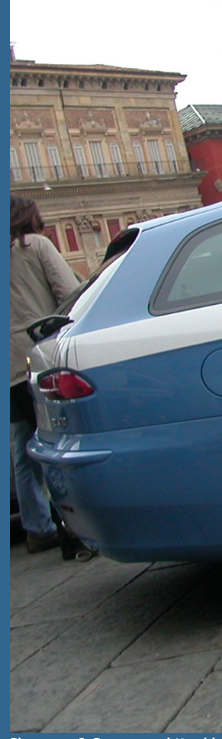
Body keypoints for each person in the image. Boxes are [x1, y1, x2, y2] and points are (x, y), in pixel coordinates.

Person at [10, 195, 81, 553]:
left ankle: (37, 528)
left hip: (7, 370)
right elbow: (68, 293)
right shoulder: (34, 246)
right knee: (54, 441)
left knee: (22, 448)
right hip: (37, 358)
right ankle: (70, 524)